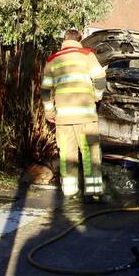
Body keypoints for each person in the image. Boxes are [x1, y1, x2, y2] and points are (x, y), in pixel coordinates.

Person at [41, 29, 107, 200]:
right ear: (80, 40)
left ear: (63, 40)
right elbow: (100, 79)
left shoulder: (53, 59)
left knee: (67, 155)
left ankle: (70, 192)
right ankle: (93, 192)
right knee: (90, 153)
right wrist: (96, 96)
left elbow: (45, 90)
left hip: (63, 118)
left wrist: (49, 111)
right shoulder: (86, 56)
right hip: (85, 117)